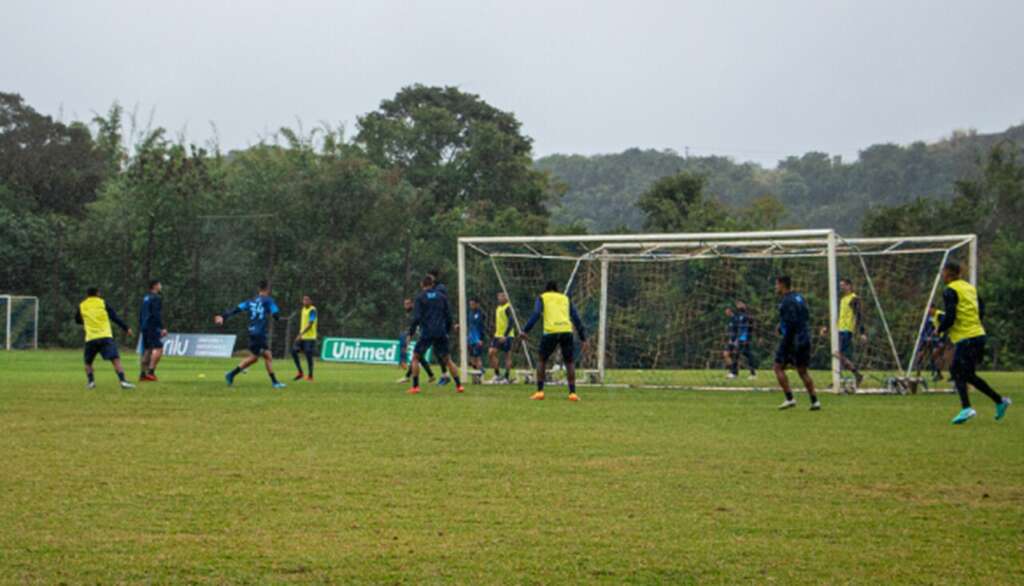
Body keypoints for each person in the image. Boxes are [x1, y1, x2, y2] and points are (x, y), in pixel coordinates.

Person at [937, 262, 1011, 424]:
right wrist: (973, 323)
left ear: (949, 274)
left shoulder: (950, 290)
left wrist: (940, 329)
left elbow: (951, 315)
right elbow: (981, 308)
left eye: (943, 273)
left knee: (956, 369)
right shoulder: (969, 288)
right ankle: (1000, 401)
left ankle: (967, 408)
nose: (942, 276)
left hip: (967, 338)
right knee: (967, 374)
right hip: (978, 335)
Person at [519, 281, 587, 402]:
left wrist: (525, 330)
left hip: (551, 331)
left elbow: (536, 314)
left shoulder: (542, 297)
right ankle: (572, 393)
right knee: (569, 362)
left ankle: (540, 391)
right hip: (566, 331)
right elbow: (576, 317)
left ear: (546, 289)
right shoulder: (565, 298)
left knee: (542, 360)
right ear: (557, 289)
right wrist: (583, 338)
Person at [215, 280, 286, 389]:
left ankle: (231, 374)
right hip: (260, 333)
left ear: (259, 289)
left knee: (259, 357)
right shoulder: (269, 300)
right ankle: (274, 382)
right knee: (264, 356)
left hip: (252, 332)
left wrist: (223, 317)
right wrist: (277, 317)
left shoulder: (250, 301)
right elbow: (276, 315)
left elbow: (236, 309)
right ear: (268, 289)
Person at [407, 275, 464, 395]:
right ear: (433, 284)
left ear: (422, 285)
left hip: (427, 332)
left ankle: (415, 387)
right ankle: (459, 386)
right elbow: (448, 316)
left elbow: (416, 317)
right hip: (441, 332)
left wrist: (411, 333)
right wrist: (447, 330)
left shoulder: (420, 298)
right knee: (448, 360)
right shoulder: (442, 297)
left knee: (415, 357)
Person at [772, 276, 820, 411]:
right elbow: (805, 316)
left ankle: (790, 399)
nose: (775, 287)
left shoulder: (786, 301)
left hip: (792, 339)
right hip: (804, 337)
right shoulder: (799, 297)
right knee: (802, 371)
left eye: (776, 285)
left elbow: (791, 322)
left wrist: (783, 331)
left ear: (782, 285)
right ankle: (815, 401)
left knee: (777, 367)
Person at [75, 287, 135, 389]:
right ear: (98, 293)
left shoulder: (82, 305)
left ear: (87, 295)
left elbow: (77, 320)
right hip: (105, 336)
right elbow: (114, 317)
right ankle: (123, 381)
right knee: (115, 360)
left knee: (88, 362)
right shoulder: (102, 303)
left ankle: (91, 382)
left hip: (91, 338)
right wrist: (126, 328)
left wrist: (87, 321)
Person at [834, 278, 866, 386]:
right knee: (838, 354)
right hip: (839, 329)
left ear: (849, 286)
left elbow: (859, 315)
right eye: (840, 285)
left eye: (843, 285)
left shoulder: (854, 299)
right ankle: (851, 376)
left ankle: (856, 374)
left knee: (838, 353)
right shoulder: (842, 299)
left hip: (847, 330)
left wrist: (862, 333)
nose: (841, 287)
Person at [397, 297, 435, 384]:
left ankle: (408, 377)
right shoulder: (410, 313)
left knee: (417, 356)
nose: (405, 306)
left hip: (426, 335)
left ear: (412, 304)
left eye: (407, 304)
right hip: (423, 336)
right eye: (404, 304)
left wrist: (410, 336)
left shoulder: (416, 313)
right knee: (418, 357)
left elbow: (415, 325)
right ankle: (431, 375)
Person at [138, 279, 167, 382]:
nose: (161, 286)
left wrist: (141, 326)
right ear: (155, 286)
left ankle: (142, 374)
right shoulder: (156, 298)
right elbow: (156, 314)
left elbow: (141, 313)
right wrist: (162, 327)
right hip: (152, 326)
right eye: (159, 284)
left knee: (147, 350)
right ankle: (151, 372)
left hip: (145, 327)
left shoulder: (146, 298)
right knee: (159, 348)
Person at [488, 291, 516, 384]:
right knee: (491, 352)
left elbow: (511, 322)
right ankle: (497, 375)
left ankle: (506, 377)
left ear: (506, 298)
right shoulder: (498, 307)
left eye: (502, 296)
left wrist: (505, 335)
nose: (500, 298)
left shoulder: (508, 307)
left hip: (507, 336)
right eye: (499, 296)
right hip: (497, 335)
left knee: (507, 356)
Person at [726, 301, 757, 379]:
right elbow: (738, 328)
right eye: (737, 305)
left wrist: (748, 338)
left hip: (745, 339)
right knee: (742, 355)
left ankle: (736, 373)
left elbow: (751, 327)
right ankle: (750, 373)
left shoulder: (747, 316)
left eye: (740, 304)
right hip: (740, 338)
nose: (739, 306)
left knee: (741, 354)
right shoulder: (739, 315)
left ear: (744, 305)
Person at [290, 295, 318, 382]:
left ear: (310, 301)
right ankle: (300, 372)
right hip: (302, 337)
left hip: (310, 337)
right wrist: (300, 334)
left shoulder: (312, 310)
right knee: (293, 351)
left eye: (307, 300)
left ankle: (310, 376)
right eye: (304, 300)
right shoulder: (303, 309)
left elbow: (310, 324)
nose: (305, 301)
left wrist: (300, 334)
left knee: (308, 356)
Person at [467, 297, 486, 373]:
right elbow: (469, 324)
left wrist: (481, 339)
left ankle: (481, 371)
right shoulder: (470, 313)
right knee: (472, 358)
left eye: (473, 304)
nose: (471, 305)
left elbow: (481, 327)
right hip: (471, 338)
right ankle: (477, 373)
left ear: (477, 304)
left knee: (477, 357)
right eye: (470, 304)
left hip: (478, 339)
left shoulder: (480, 313)